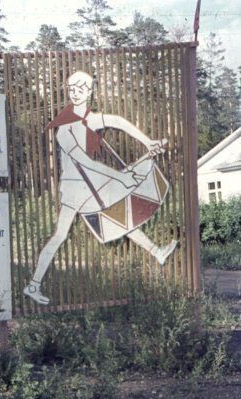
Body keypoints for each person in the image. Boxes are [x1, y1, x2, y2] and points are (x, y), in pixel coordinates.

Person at [24, 70, 177, 305]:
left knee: (117, 213)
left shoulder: (88, 119)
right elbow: (85, 162)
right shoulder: (64, 128)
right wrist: (120, 178)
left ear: (89, 91)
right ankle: (33, 285)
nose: (76, 93)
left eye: (81, 88)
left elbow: (117, 121)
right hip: (76, 189)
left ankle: (156, 252)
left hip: (88, 187)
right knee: (61, 235)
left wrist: (147, 141)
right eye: (72, 89)